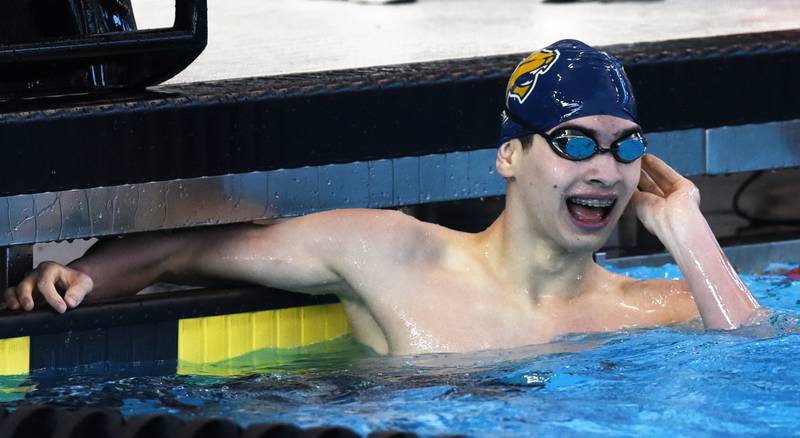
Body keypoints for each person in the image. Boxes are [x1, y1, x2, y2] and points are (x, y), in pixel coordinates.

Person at [3, 40, 761, 355]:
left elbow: (754, 352)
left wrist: (689, 233)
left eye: (626, 145)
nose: (605, 169)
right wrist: (88, 277)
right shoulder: (388, 252)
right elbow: (187, 246)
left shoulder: (653, 306)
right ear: (509, 153)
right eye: (572, 142)